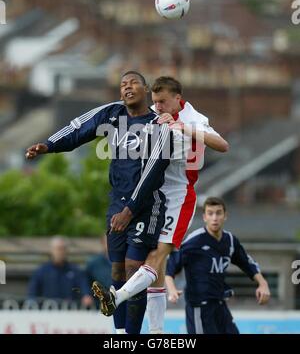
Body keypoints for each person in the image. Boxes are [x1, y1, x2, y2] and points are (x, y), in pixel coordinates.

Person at [26, 71, 173, 334]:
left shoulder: (160, 124)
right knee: (116, 271)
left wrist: (130, 210)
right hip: (117, 202)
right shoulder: (112, 113)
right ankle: (118, 335)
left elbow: (154, 170)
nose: (127, 88)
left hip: (146, 205)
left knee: (133, 269)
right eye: (122, 85)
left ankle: (132, 335)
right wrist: (48, 145)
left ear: (146, 88)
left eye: (133, 83)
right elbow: (78, 128)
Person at [93, 76, 229, 334]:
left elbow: (223, 145)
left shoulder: (193, 118)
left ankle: (117, 298)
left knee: (158, 256)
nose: (158, 107)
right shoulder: (152, 115)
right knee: (150, 265)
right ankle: (155, 332)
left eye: (162, 102)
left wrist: (182, 127)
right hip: (151, 195)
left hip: (178, 197)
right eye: (154, 102)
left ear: (178, 99)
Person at [165, 197, 271, 334]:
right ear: (204, 217)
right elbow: (171, 268)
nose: (214, 217)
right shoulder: (194, 242)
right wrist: (172, 289)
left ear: (225, 216)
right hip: (199, 308)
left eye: (218, 213)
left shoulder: (230, 241)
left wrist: (263, 283)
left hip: (220, 305)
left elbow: (247, 263)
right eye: (210, 213)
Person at [28, 236, 93, 307]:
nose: (60, 252)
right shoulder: (41, 271)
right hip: (47, 311)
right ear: (51, 250)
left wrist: (86, 295)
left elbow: (84, 287)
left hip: (71, 311)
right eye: (58, 249)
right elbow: (32, 294)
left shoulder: (75, 271)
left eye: (63, 249)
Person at [85, 236, 112, 308]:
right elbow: (85, 280)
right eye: (108, 241)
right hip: (99, 304)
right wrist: (86, 294)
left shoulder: (125, 261)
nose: (110, 244)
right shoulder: (94, 263)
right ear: (102, 243)